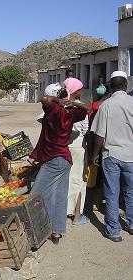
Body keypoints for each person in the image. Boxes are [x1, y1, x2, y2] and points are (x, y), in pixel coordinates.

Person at [30, 77, 89, 244]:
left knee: (36, 194)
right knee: (59, 195)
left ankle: (36, 231)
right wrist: (71, 102)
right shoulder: (70, 112)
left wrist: (61, 101)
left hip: (54, 159)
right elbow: (87, 108)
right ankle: (56, 232)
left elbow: (44, 99)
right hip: (64, 159)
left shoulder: (53, 110)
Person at [90, 71, 133, 242]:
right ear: (125, 86)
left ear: (111, 87)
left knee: (112, 193)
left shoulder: (106, 105)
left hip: (111, 155)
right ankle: (131, 224)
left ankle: (114, 231)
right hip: (130, 155)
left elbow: (99, 134)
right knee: (130, 192)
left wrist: (95, 154)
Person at [65, 79, 90, 225]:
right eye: (80, 90)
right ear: (75, 92)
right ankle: (77, 216)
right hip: (78, 147)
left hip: (64, 146)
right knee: (78, 181)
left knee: (66, 180)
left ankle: (64, 210)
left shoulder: (59, 105)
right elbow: (85, 130)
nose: (81, 92)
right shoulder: (79, 108)